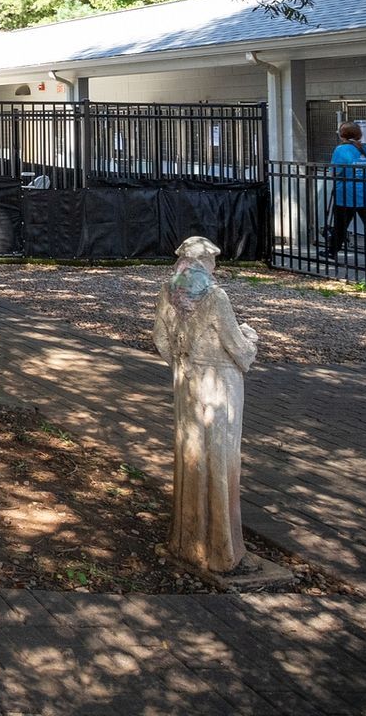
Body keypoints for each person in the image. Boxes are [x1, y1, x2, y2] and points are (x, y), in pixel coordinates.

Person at [154, 236, 259, 574]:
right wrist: (252, 338)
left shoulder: (168, 291)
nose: (215, 267)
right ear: (204, 262)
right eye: (213, 261)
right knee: (220, 457)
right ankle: (222, 550)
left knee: (191, 453)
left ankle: (187, 540)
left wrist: (181, 364)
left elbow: (160, 340)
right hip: (220, 385)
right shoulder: (216, 296)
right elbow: (239, 349)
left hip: (186, 383)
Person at [325, 121, 366, 258]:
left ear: (342, 135)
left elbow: (336, 171)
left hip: (347, 194)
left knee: (340, 225)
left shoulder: (341, 150)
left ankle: (332, 251)